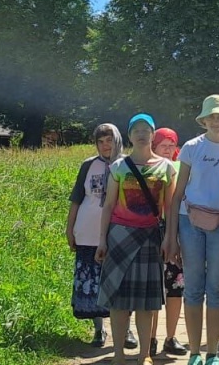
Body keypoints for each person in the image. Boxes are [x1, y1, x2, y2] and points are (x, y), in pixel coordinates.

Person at [166, 95, 219, 365]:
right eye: (212, 116)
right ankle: (194, 353)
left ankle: (212, 352)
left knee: (217, 289)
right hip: (189, 223)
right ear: (204, 120)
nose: (216, 120)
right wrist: (171, 237)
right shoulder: (191, 147)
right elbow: (177, 195)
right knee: (192, 289)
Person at [96, 113, 177, 365]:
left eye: (146, 129)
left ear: (153, 134)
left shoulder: (166, 168)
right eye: (136, 130)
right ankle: (118, 354)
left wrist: (170, 239)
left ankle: (144, 355)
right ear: (129, 136)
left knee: (146, 302)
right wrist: (102, 240)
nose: (141, 133)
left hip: (151, 237)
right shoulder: (118, 167)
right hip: (120, 236)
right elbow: (108, 206)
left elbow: (171, 208)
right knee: (118, 301)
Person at [67, 123, 138, 349]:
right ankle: (99, 330)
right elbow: (77, 199)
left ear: (117, 140)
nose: (105, 145)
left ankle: (126, 331)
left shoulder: (129, 164)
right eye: (100, 141)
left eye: (109, 140)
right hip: (87, 233)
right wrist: (69, 229)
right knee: (94, 284)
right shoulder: (88, 165)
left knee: (122, 283)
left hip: (119, 234)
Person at [151, 127, 189, 358]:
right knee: (152, 287)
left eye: (171, 145)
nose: (167, 149)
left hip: (176, 230)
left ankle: (170, 337)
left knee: (175, 286)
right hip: (151, 229)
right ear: (153, 145)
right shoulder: (146, 166)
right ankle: (151, 337)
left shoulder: (180, 168)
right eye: (162, 144)